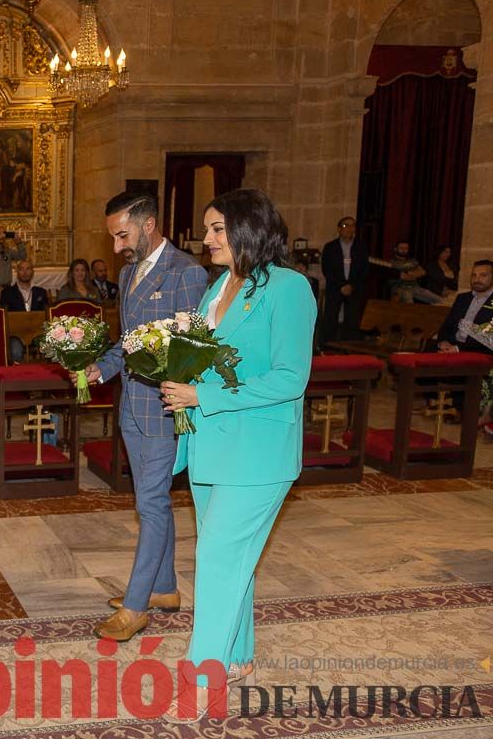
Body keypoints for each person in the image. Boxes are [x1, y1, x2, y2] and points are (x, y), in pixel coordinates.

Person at [158, 189, 315, 722]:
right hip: (210, 446)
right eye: (207, 229)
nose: (206, 240)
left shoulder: (289, 289)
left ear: (249, 229)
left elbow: (291, 378)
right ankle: (240, 655)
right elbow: (205, 354)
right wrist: (176, 371)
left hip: (259, 450)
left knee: (218, 557)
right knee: (231, 558)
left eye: (217, 228)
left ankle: (204, 675)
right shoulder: (217, 287)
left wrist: (207, 395)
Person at [78, 191, 207, 642]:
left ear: (148, 223)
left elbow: (193, 348)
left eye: (122, 235)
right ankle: (166, 589)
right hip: (131, 406)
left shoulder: (187, 273)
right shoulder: (130, 272)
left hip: (164, 409)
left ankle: (135, 607)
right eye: (113, 237)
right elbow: (128, 341)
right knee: (151, 500)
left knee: (150, 503)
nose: (116, 247)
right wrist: (102, 367)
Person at [320, 216, 368, 342]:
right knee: (330, 318)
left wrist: (351, 285)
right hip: (336, 288)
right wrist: (341, 285)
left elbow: (364, 269)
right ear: (339, 229)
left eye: (353, 226)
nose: (350, 229)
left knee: (352, 319)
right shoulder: (330, 247)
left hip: (354, 288)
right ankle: (327, 346)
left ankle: (349, 347)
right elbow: (327, 269)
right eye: (346, 226)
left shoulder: (361, 247)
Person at [437, 259, 493, 355]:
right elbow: (447, 325)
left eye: (483, 275)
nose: (477, 279)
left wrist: (458, 349)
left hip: (480, 353)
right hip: (452, 346)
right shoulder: (463, 298)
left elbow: (489, 337)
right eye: (474, 275)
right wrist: (443, 341)